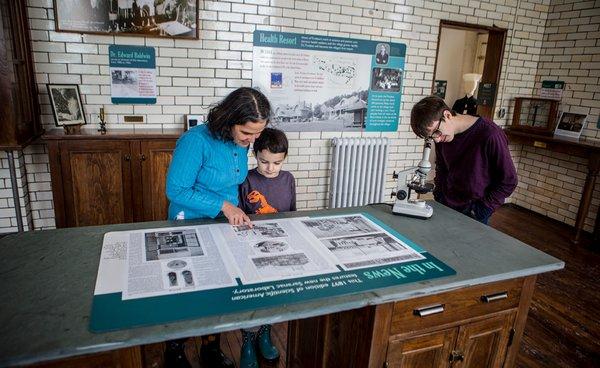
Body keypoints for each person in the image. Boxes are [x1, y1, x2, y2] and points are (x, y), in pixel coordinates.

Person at [164, 87, 271, 368]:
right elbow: (176, 189)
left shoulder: (242, 141)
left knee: (219, 285)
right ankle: (175, 351)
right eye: (247, 133)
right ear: (229, 120)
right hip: (189, 220)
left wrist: (238, 209)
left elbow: (231, 183)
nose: (252, 140)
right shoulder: (195, 141)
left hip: (224, 223)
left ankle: (210, 348)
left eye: (257, 133)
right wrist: (224, 206)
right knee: (187, 288)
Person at [237, 128, 296, 368]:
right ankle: (248, 339)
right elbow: (239, 218)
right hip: (250, 247)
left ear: (284, 159)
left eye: (277, 163)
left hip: (279, 247)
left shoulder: (289, 179)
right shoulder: (247, 179)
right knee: (252, 296)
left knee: (274, 292)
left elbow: (292, 215)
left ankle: (265, 332)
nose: (270, 168)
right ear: (255, 155)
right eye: (264, 161)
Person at [410, 96, 517, 224]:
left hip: (474, 211)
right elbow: (442, 167)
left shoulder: (490, 134)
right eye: (431, 137)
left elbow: (509, 180)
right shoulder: (443, 137)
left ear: (448, 115)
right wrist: (439, 196)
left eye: (436, 132)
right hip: (445, 204)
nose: (437, 139)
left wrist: (483, 209)